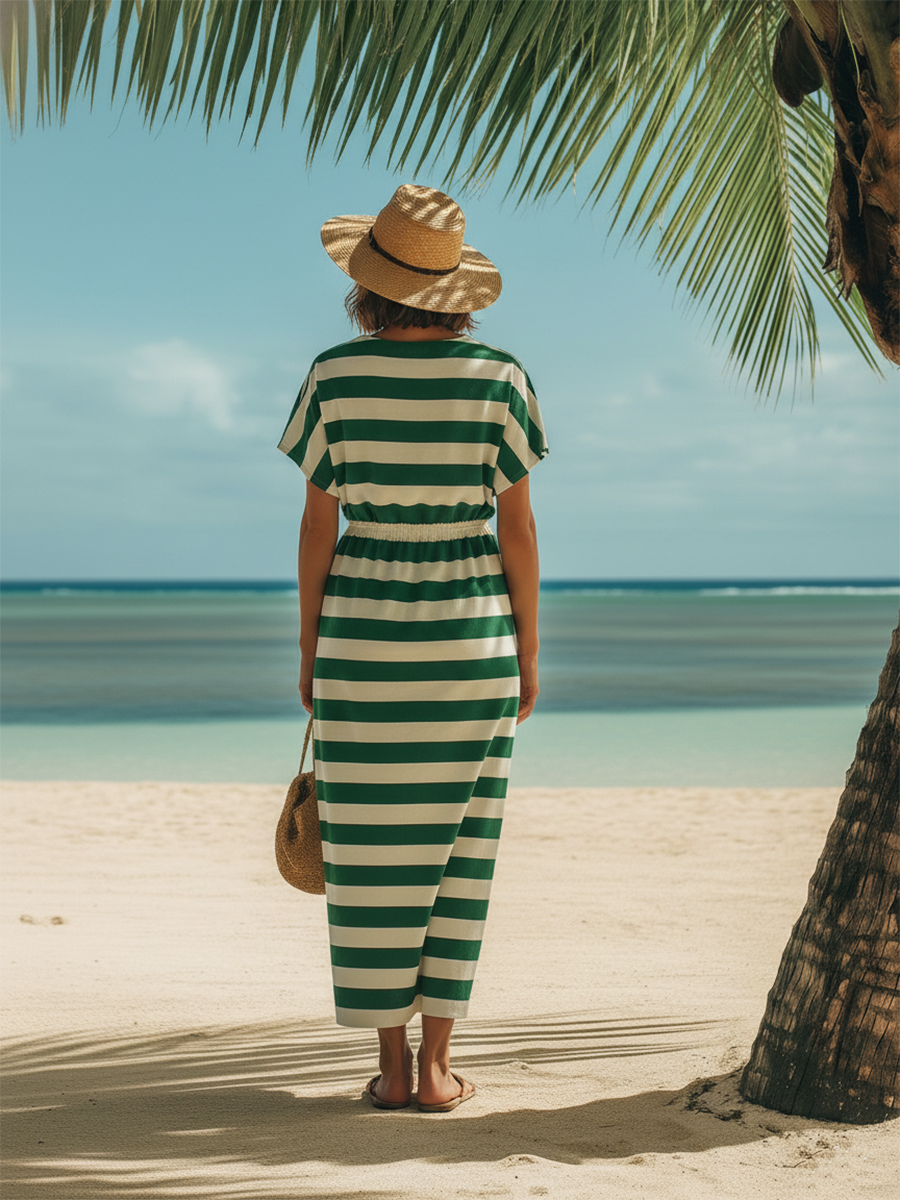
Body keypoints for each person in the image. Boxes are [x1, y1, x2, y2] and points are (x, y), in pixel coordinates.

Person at [278, 183, 548, 1112]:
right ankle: (439, 1071)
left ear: (369, 285)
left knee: (371, 859)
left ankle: (391, 1068)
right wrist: (529, 655)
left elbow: (319, 529)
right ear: (456, 291)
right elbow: (518, 533)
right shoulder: (502, 378)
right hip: (473, 639)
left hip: (361, 641)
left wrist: (310, 651)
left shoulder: (332, 377)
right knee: (460, 855)